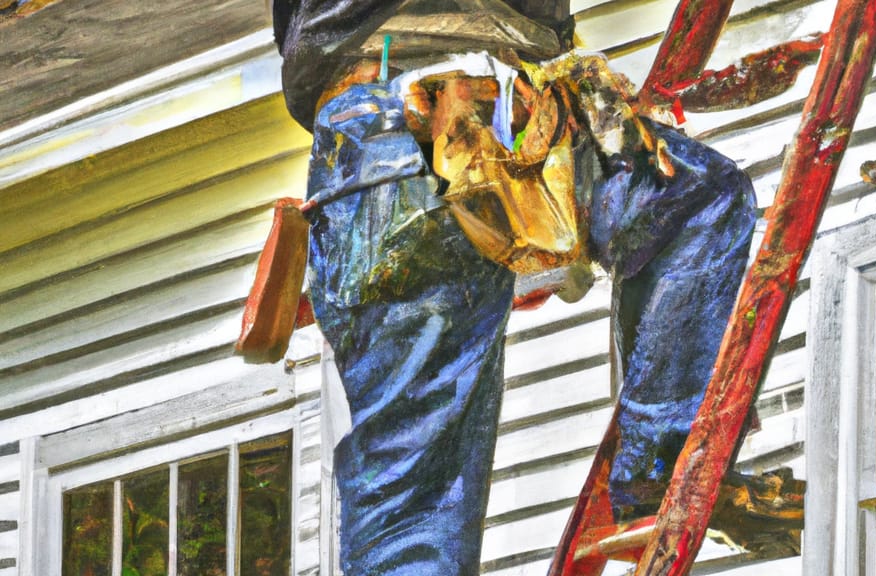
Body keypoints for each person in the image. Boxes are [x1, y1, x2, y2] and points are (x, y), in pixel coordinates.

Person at [273, 1, 757, 573]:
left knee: (410, 506)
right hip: (445, 111)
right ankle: (661, 458)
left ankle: (661, 462)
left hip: (378, 137)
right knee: (693, 200)